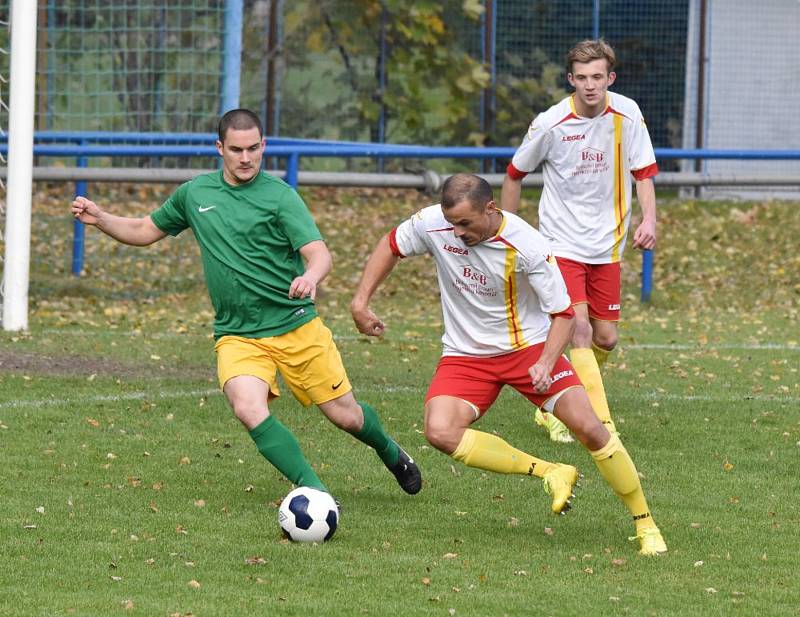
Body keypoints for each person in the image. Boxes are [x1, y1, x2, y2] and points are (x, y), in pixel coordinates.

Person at [70, 108, 421, 500]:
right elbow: (144, 229)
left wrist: (310, 276)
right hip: (238, 334)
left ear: (263, 146)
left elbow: (320, 253)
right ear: (220, 148)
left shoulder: (279, 197)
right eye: (236, 149)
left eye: (253, 148)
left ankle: (391, 452)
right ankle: (314, 491)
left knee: (346, 415)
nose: (246, 158)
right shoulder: (195, 194)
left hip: (295, 327)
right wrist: (102, 219)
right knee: (247, 408)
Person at [350, 173, 666, 555]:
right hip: (465, 356)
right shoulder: (433, 223)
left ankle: (645, 523)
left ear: (491, 209)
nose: (456, 231)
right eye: (452, 223)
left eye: (465, 223)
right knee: (440, 431)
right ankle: (550, 471)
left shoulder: (527, 244)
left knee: (591, 429)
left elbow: (564, 315)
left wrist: (548, 361)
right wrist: (360, 302)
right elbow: (391, 245)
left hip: (528, 349)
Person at [500, 39, 658, 443]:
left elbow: (643, 172)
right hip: (560, 243)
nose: (590, 85)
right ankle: (592, 420)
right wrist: (509, 232)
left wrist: (650, 219)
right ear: (571, 79)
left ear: (611, 78)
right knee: (580, 328)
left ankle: (557, 395)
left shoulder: (628, 114)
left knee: (607, 338)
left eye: (598, 77)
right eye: (582, 78)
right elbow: (515, 174)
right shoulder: (550, 123)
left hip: (607, 245)